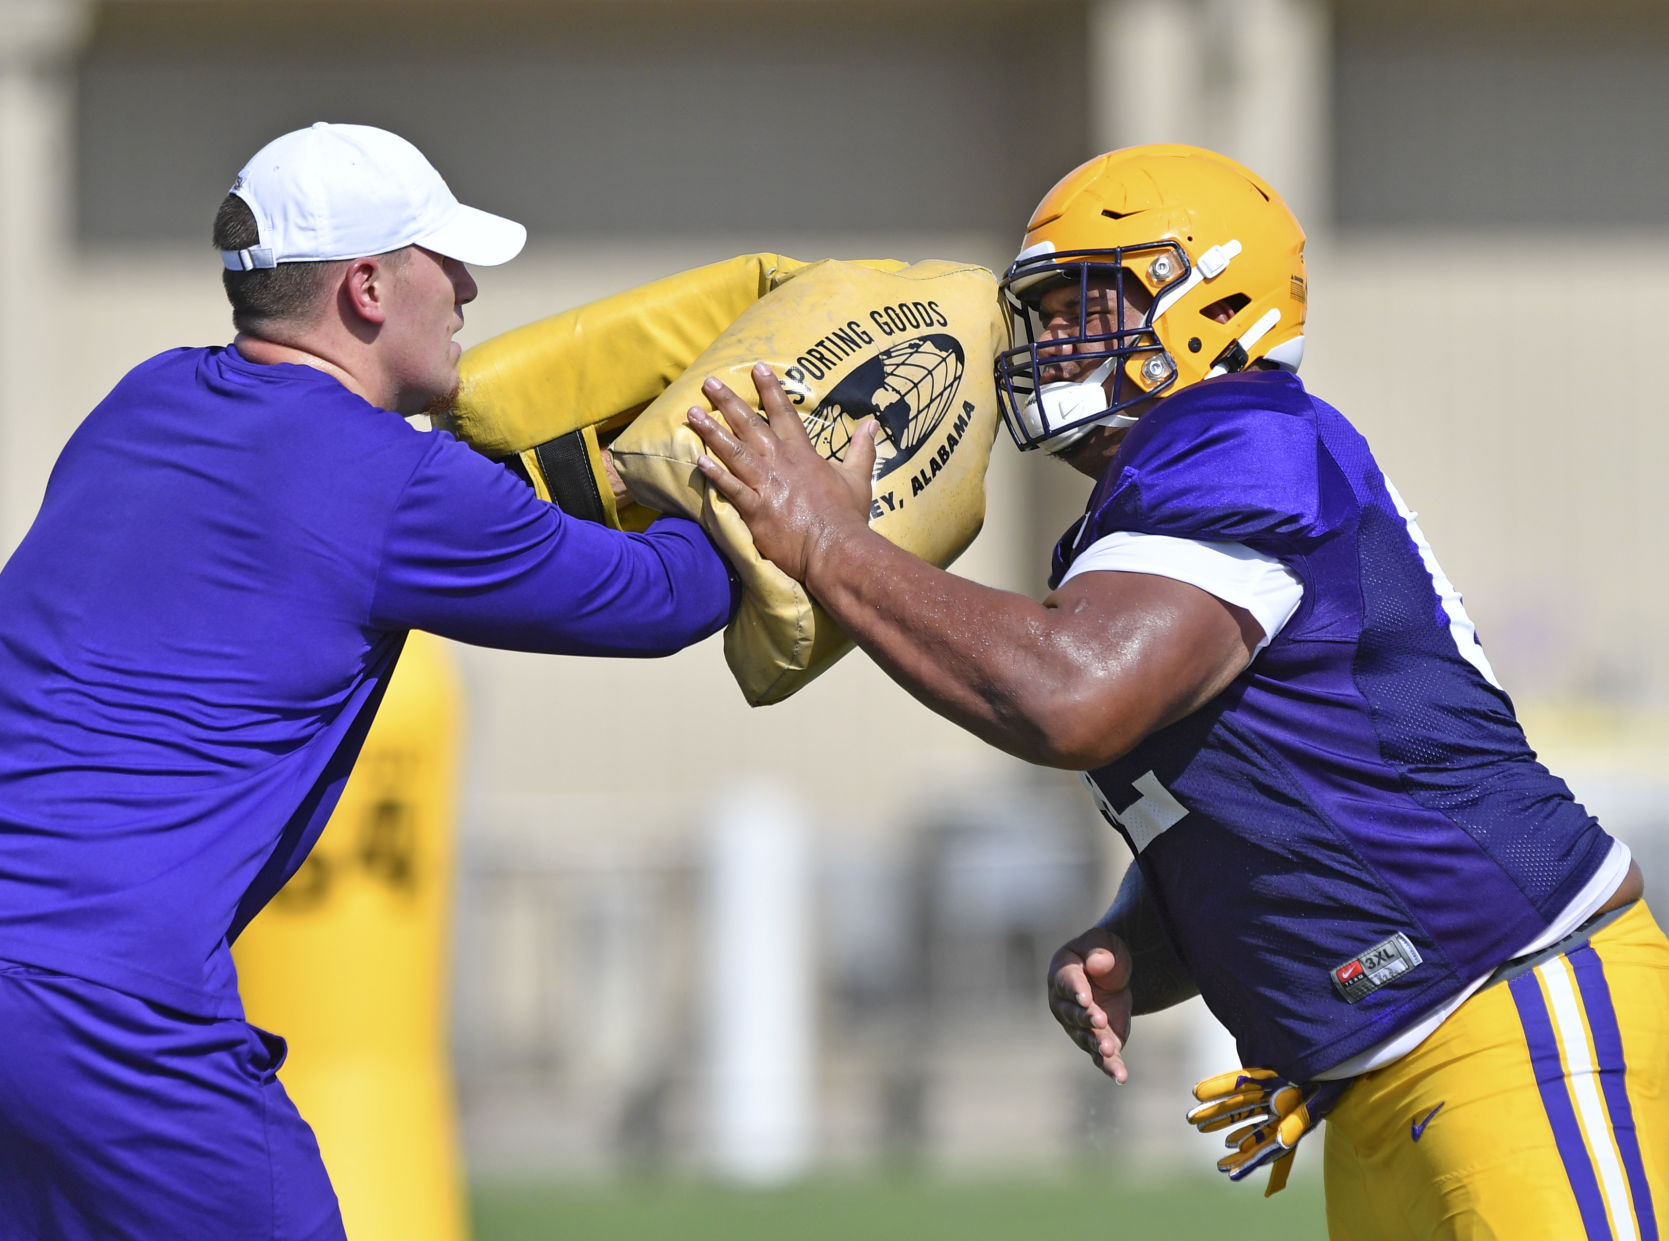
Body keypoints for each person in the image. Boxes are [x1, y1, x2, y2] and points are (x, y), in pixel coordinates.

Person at [686, 144, 1667, 1239]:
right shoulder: (1150, 503)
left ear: (1215, 299)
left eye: (1087, 301)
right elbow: (1272, 779)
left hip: (1512, 1012)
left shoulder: (1242, 437)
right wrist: (1140, 933)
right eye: (1045, 311)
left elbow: (1069, 697)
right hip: (1395, 1072)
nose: (1052, 339)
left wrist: (829, 542)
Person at [0, 122, 736, 1241]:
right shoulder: (397, 482)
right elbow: (666, 598)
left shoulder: (140, 402)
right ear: (368, 287)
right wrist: (767, 485)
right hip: (107, 1002)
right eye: (446, 262)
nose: (472, 289)